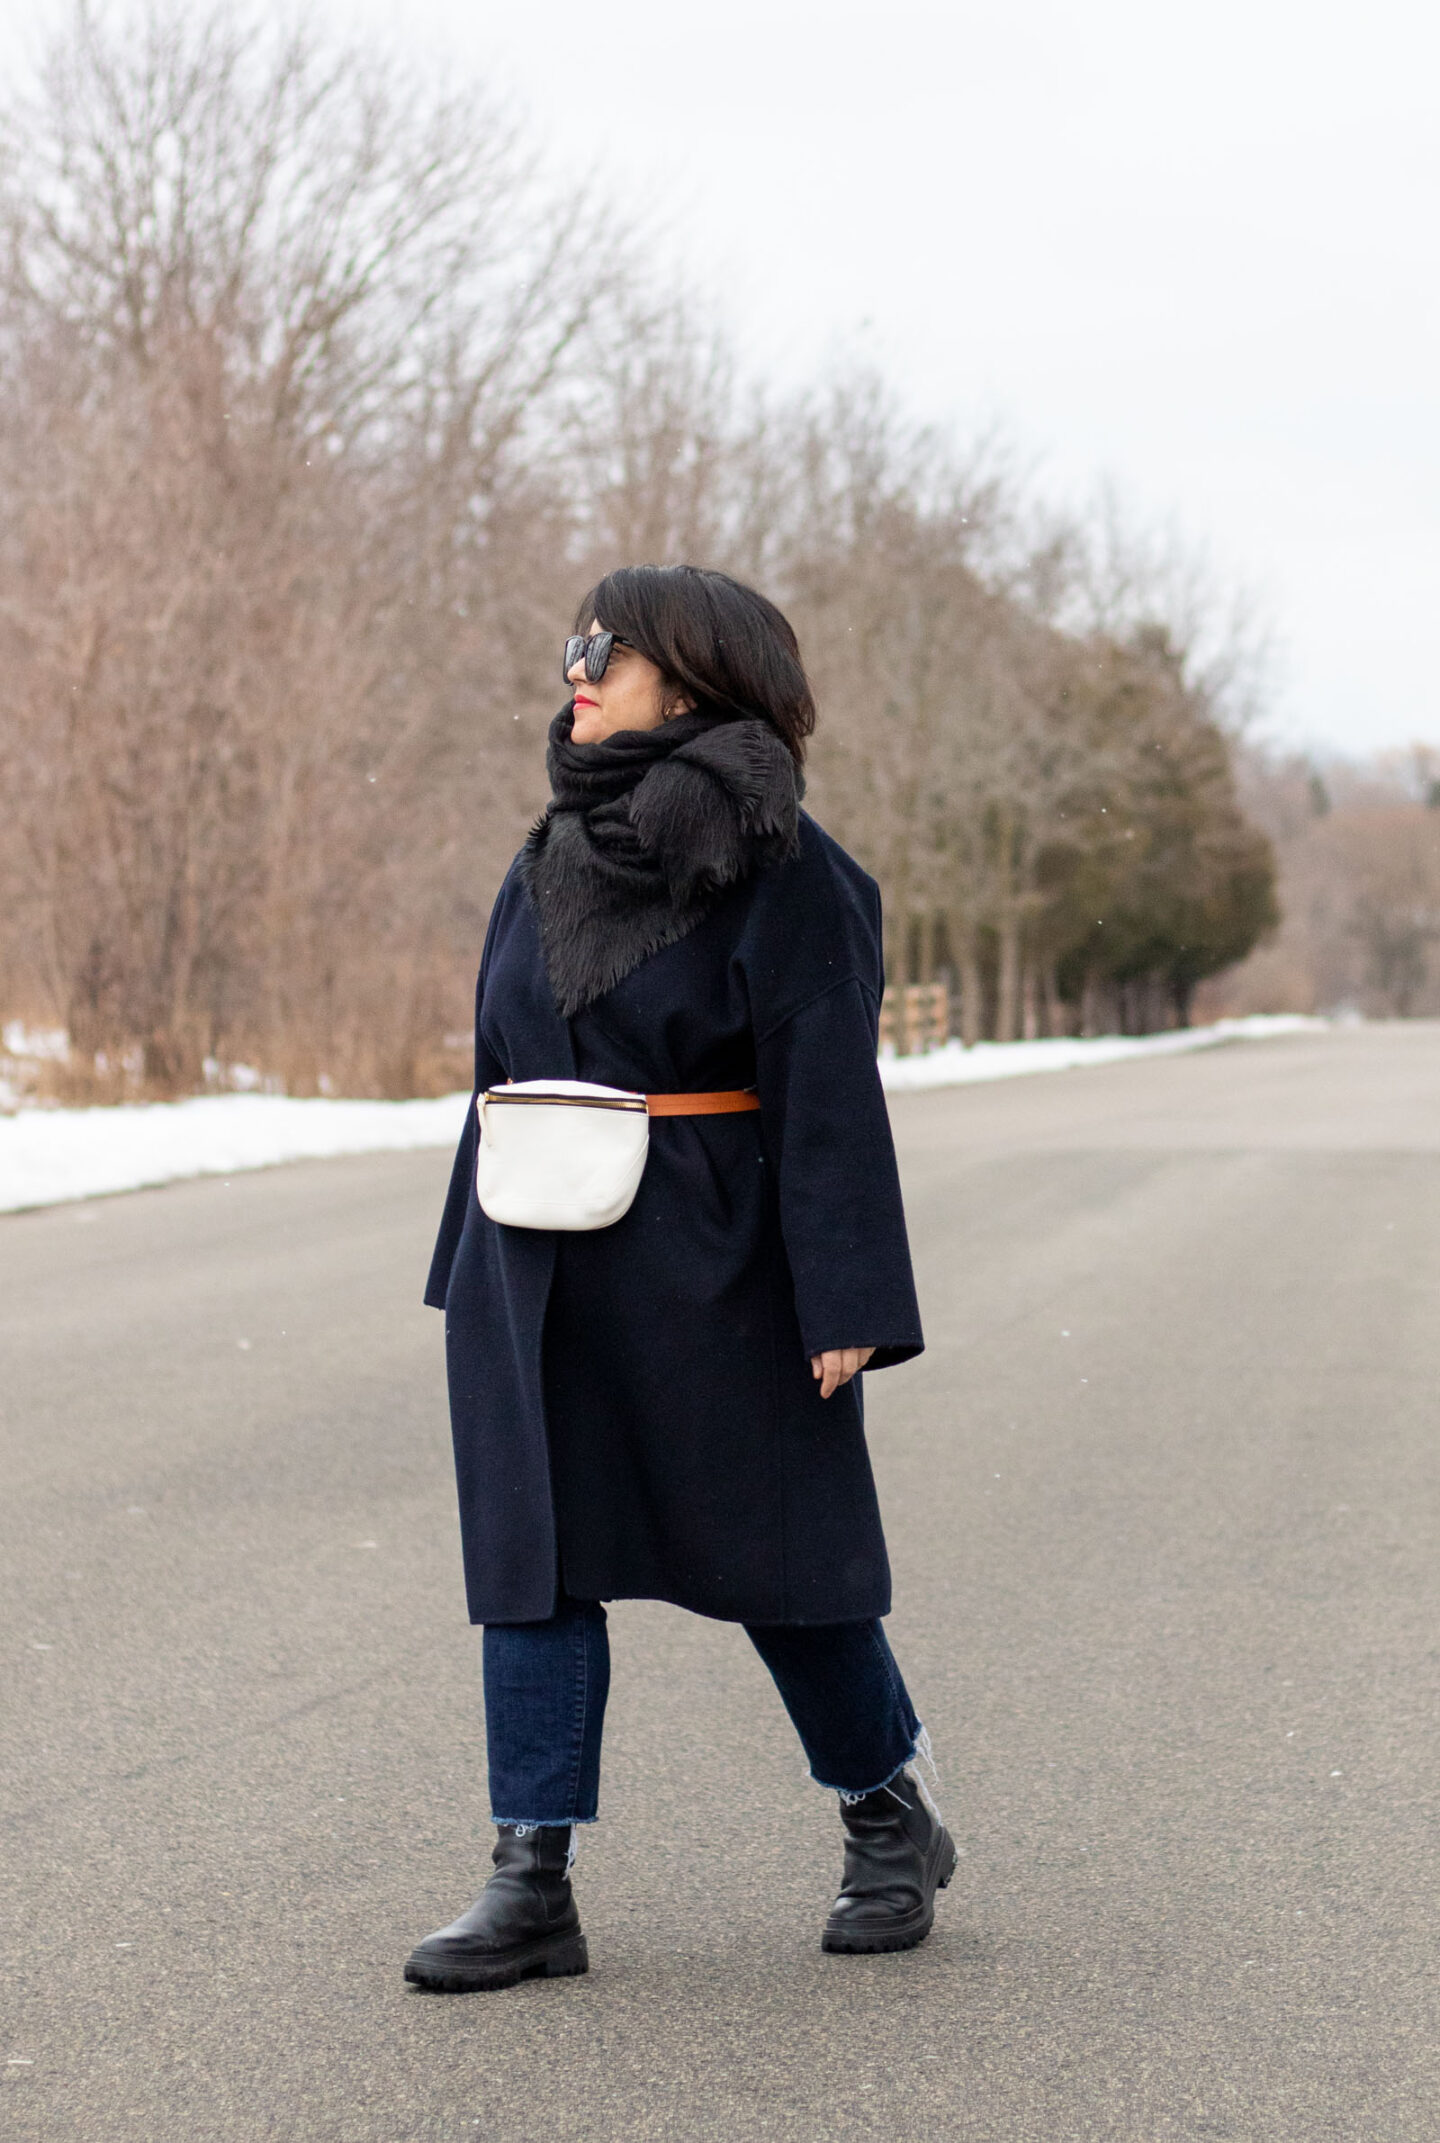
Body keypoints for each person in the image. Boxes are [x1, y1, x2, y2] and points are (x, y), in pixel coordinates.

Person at [406, 564, 953, 1993]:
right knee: (534, 1570)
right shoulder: (548, 852)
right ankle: (532, 1881)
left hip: (716, 1252)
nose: (576, 665)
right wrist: (464, 1265)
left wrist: (845, 1302)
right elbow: (495, 1064)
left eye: (611, 648)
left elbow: (829, 1091)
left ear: (696, 683)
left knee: (779, 1561)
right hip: (533, 1261)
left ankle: (889, 1814)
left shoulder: (789, 869)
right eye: (575, 640)